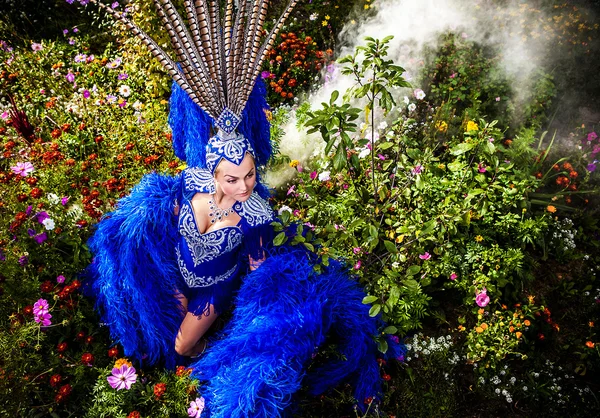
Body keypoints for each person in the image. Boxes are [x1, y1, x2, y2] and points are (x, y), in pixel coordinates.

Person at [84, 1, 404, 416]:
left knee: (183, 345)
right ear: (212, 174)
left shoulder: (255, 216)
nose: (244, 185)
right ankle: (183, 366)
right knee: (160, 329)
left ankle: (207, 359)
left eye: (250, 175)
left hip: (214, 290)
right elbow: (164, 229)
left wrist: (260, 312)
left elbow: (258, 274)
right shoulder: (187, 187)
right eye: (232, 178)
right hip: (180, 279)